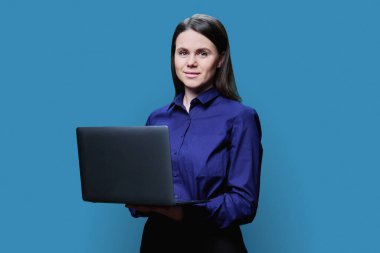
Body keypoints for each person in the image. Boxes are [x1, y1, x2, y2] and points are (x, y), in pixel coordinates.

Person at [127, 14, 263, 253]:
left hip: (214, 244)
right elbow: (144, 188)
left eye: (202, 53)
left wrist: (182, 213)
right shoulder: (157, 118)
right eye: (183, 52)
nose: (191, 62)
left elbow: (244, 203)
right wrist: (134, 197)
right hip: (158, 242)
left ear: (220, 59)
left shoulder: (241, 118)